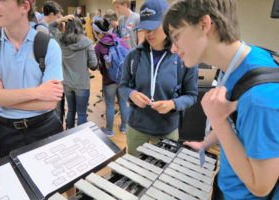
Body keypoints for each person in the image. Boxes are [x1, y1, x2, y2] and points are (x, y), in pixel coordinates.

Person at [163, 0, 279, 199]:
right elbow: (236, 121)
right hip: (226, 185)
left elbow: (261, 186)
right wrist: (205, 144)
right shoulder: (243, 60)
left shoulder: (259, 98)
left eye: (176, 37)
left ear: (204, 24)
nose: (173, 49)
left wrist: (217, 120)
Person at [0, 0, 63, 158]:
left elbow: (50, 102)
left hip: (46, 127)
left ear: (24, 6)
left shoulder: (48, 46)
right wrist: (37, 92)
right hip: (5, 131)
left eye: (1, 0)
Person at [118, 0, 198, 156]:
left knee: (162, 173)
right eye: (145, 28)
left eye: (154, 27)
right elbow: (122, 86)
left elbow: (191, 95)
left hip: (166, 129)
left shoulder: (184, 57)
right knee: (134, 172)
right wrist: (131, 94)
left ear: (169, 25)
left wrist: (173, 103)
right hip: (136, 127)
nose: (149, 33)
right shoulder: (133, 56)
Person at [49, 15, 97, 129]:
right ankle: (80, 136)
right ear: (80, 27)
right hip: (82, 84)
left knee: (71, 110)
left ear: (66, 26)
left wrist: (62, 19)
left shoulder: (61, 39)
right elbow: (93, 65)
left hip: (67, 83)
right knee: (81, 113)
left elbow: (51, 26)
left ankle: (69, 132)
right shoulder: (88, 42)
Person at [93, 19, 129, 137]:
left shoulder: (98, 46)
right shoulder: (118, 39)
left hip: (109, 80)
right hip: (123, 78)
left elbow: (95, 65)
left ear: (98, 33)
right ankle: (124, 127)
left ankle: (109, 130)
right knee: (123, 102)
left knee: (110, 104)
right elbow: (129, 54)